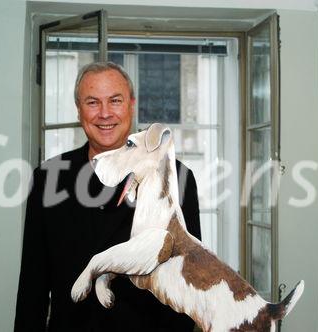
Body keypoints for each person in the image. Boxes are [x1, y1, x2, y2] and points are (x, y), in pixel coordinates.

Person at [14, 62, 201, 331]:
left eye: (115, 100)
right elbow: (33, 281)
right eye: (92, 102)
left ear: (131, 105)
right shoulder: (48, 178)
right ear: (79, 109)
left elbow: (188, 277)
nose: (104, 113)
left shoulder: (178, 178)